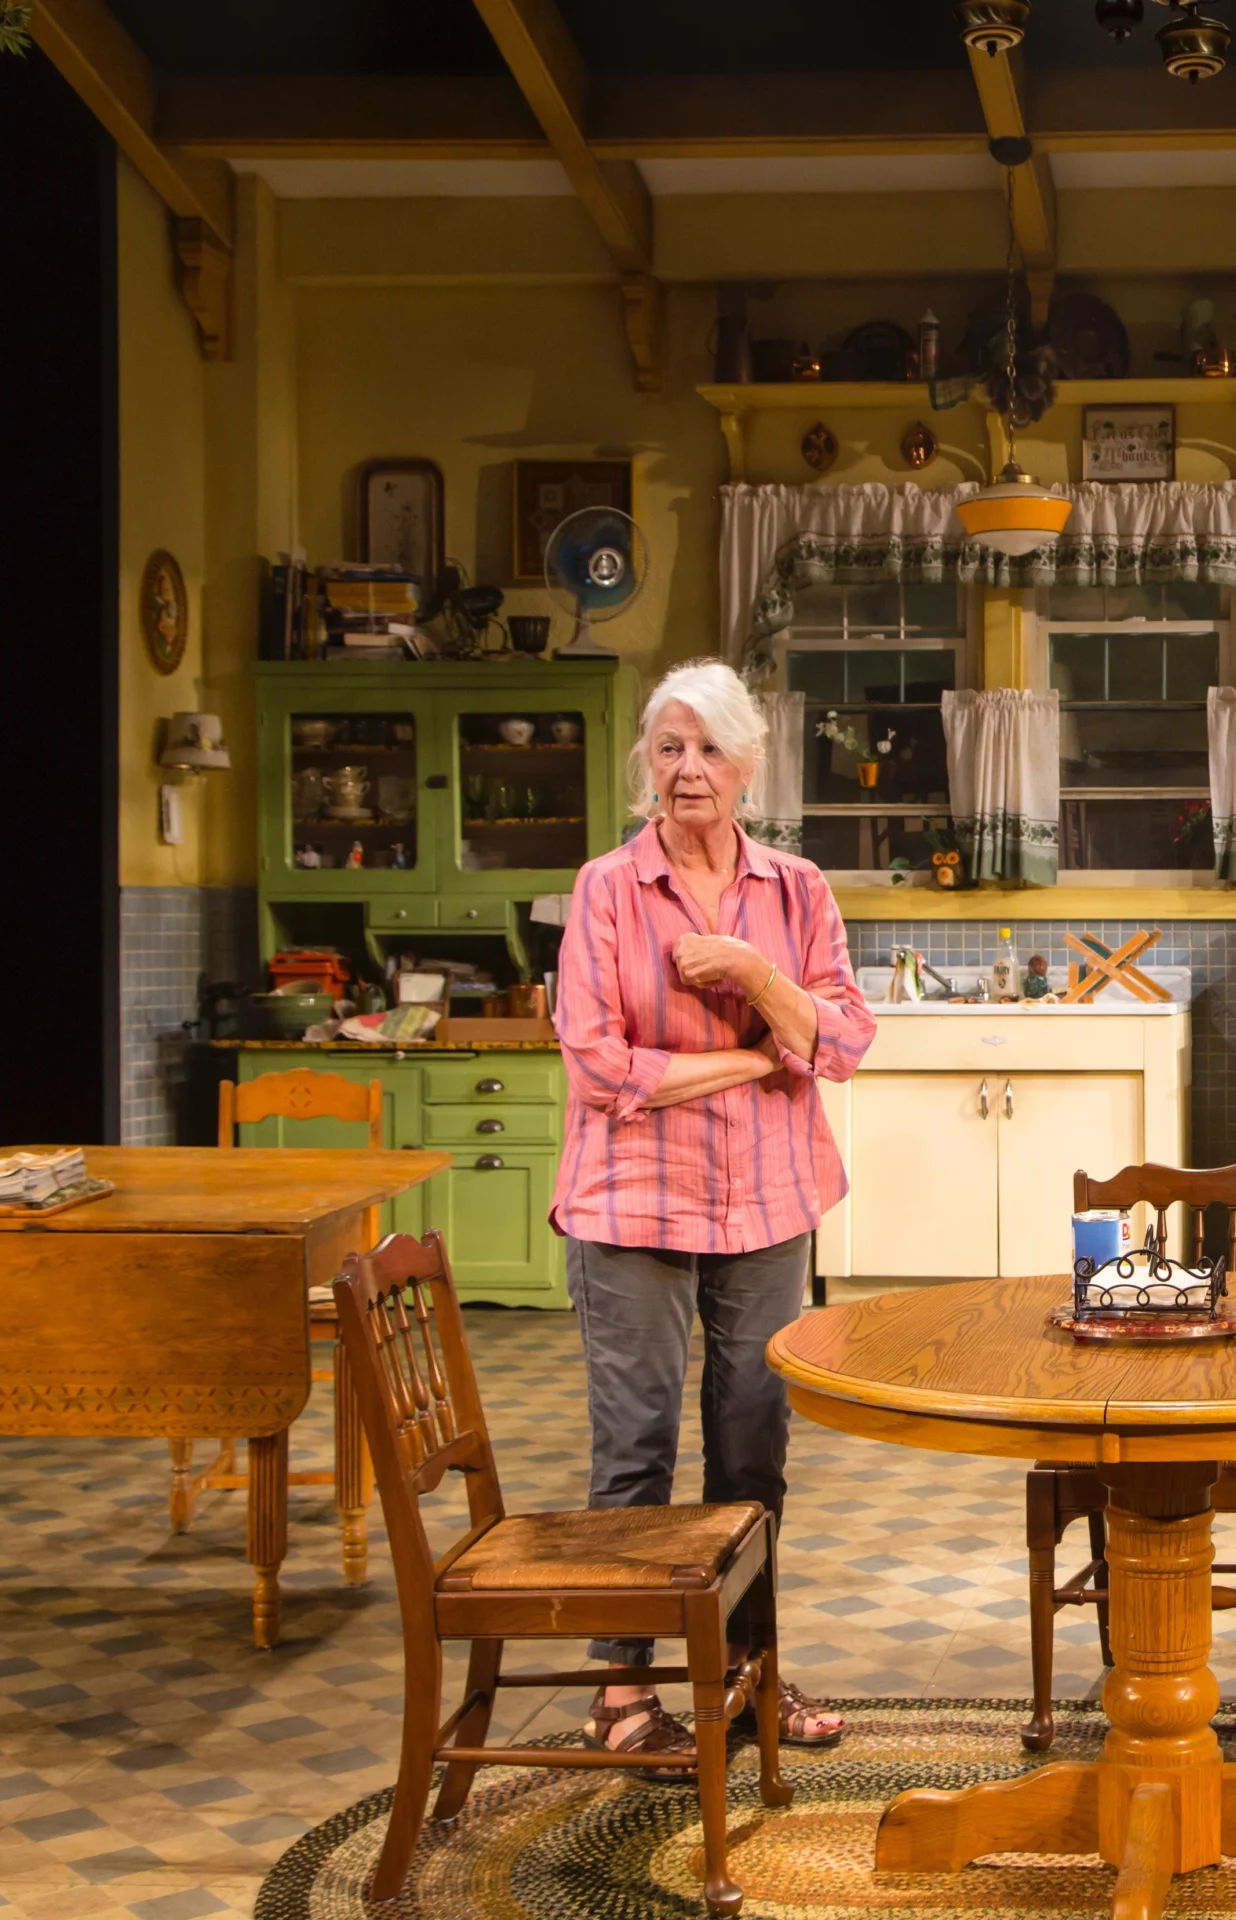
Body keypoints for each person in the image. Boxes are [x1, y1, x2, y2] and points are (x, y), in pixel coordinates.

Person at [553, 658, 875, 1769]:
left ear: (748, 766)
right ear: (648, 759)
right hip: (630, 1200)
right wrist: (756, 1053)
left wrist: (749, 969)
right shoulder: (606, 888)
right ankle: (623, 1686)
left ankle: (749, 1673)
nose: (688, 771)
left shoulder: (796, 892)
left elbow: (843, 1043)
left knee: (754, 1447)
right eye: (670, 747)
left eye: (709, 750)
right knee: (634, 1449)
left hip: (769, 1199)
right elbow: (601, 1069)